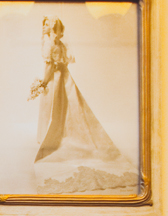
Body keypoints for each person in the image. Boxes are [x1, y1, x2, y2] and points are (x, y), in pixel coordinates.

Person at [29, 15, 137, 193]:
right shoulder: (60, 45)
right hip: (65, 79)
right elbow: (62, 64)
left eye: (47, 25)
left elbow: (49, 68)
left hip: (55, 80)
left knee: (54, 110)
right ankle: (60, 135)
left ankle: (52, 139)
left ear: (53, 28)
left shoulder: (49, 44)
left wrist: (43, 82)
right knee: (70, 109)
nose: (44, 27)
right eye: (44, 24)